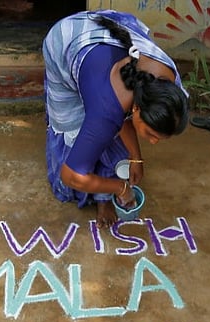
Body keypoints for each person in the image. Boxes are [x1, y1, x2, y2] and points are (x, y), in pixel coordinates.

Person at [43, 10, 189, 227]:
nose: (154, 142)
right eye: (151, 134)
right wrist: (120, 188)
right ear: (136, 108)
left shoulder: (168, 82)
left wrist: (135, 157)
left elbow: (123, 116)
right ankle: (102, 196)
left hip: (105, 43)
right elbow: (71, 175)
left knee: (102, 127)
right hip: (66, 40)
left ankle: (104, 189)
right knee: (75, 128)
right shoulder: (108, 109)